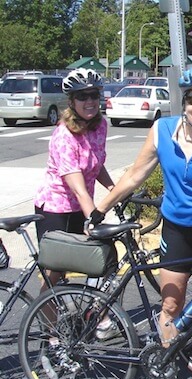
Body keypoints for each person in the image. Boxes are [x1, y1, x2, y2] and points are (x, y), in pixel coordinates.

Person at [89, 65, 192, 379]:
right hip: (174, 228)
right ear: (184, 102)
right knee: (170, 306)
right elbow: (135, 175)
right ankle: (165, 371)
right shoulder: (161, 130)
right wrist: (99, 210)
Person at [34, 68, 114, 296]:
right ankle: (51, 330)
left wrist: (115, 190)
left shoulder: (100, 126)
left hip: (82, 207)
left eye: (93, 95)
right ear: (71, 101)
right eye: (82, 96)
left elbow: (95, 164)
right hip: (56, 209)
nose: (89, 101)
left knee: (101, 260)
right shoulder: (64, 135)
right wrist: (95, 221)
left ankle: (97, 315)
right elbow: (77, 188)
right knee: (55, 275)